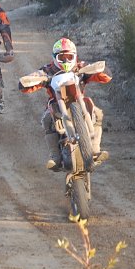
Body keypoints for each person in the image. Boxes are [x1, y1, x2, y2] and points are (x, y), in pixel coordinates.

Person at [29, 37, 110, 172]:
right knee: (47, 119)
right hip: (56, 103)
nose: (66, 60)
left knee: (97, 113)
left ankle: (95, 150)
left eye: (69, 57)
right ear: (55, 57)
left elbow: (106, 76)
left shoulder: (81, 66)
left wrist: (100, 70)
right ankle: (55, 157)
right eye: (62, 57)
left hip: (79, 100)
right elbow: (30, 81)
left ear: (75, 56)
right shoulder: (48, 70)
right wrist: (30, 80)